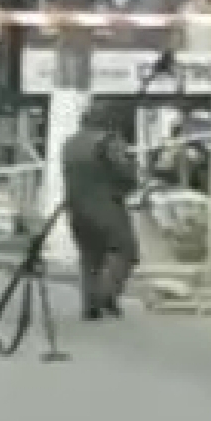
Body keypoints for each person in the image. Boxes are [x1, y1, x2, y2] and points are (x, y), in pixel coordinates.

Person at [62, 99, 139, 321]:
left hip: (75, 207)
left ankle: (90, 304)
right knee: (126, 251)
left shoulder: (70, 143)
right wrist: (131, 179)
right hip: (107, 206)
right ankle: (105, 294)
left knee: (89, 256)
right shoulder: (109, 142)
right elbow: (125, 174)